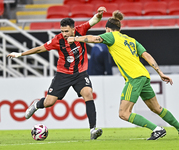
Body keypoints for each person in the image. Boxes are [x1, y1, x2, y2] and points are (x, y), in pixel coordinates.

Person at [67, 10, 179, 140]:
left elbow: (93, 38)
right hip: (144, 75)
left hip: (134, 77)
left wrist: (74, 38)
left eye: (106, 30)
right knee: (156, 108)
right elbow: (146, 55)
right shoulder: (131, 40)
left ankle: (157, 129)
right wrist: (160, 72)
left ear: (108, 29)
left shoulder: (112, 36)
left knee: (124, 113)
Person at [7, 6, 107, 140]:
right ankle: (37, 104)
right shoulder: (58, 40)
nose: (64, 34)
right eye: (62, 31)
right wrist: (20, 54)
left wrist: (99, 15)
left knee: (88, 94)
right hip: (63, 74)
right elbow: (39, 49)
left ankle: (93, 129)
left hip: (80, 74)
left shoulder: (80, 30)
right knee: (49, 102)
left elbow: (94, 20)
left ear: (73, 28)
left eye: (66, 31)